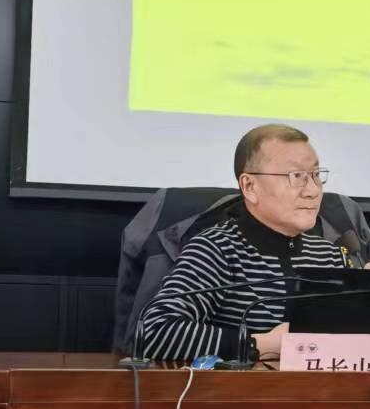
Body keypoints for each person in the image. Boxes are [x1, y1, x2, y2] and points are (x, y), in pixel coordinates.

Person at [137, 123, 346, 363]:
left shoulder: (330, 256)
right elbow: (153, 332)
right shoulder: (216, 249)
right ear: (250, 186)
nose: (312, 190)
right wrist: (261, 345)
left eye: (316, 175)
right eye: (297, 176)